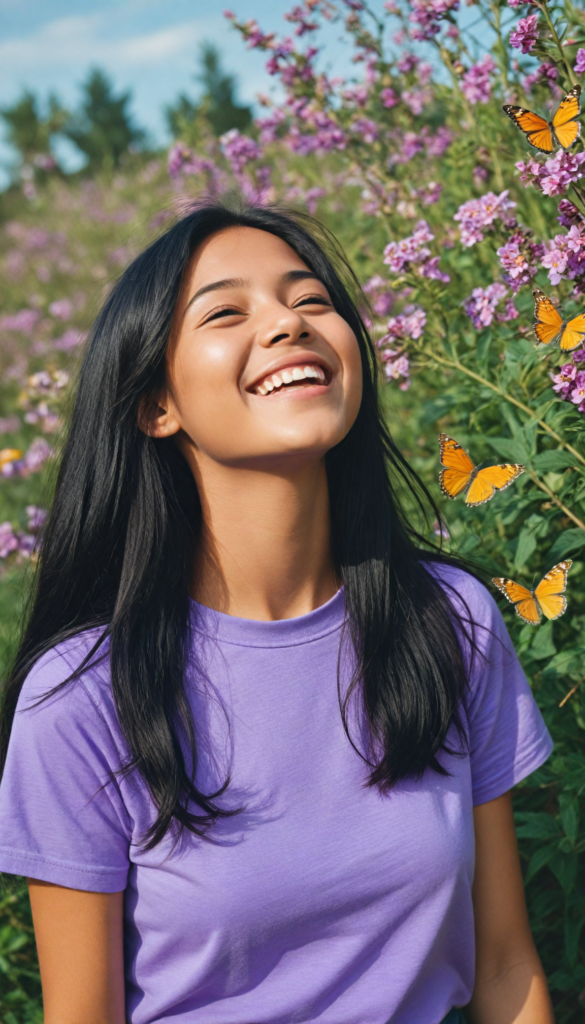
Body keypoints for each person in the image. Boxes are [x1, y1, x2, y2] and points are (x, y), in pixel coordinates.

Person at [0, 201, 554, 1024]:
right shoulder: (82, 699)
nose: (289, 324)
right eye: (226, 313)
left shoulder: (448, 622)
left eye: (311, 300)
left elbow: (504, 966)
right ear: (156, 405)